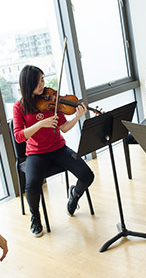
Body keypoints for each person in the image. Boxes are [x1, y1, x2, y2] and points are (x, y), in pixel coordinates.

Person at [13, 65, 95, 238]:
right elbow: (19, 136)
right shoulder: (19, 107)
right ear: (28, 84)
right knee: (32, 186)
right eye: (37, 82)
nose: (42, 85)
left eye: (42, 79)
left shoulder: (52, 100)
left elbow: (64, 128)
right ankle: (35, 217)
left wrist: (78, 117)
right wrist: (40, 124)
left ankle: (74, 195)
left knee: (87, 175)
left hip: (58, 148)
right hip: (36, 154)